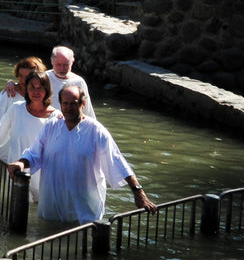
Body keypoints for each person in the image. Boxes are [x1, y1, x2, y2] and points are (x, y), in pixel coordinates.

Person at [8, 84, 156, 224]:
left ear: (83, 104)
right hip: (52, 208)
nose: (68, 108)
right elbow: (34, 154)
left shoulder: (96, 131)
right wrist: (21, 163)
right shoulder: (52, 126)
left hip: (84, 212)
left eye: (73, 103)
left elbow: (117, 161)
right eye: (65, 103)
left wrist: (138, 192)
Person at [0, 71, 59, 201]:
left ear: (47, 90)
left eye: (40, 88)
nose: (36, 92)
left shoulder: (56, 117)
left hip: (44, 178)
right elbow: (0, 128)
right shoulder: (16, 109)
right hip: (17, 172)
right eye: (32, 87)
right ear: (26, 89)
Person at [0, 57, 44, 132]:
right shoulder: (10, 92)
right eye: (20, 76)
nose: (23, 80)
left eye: (27, 77)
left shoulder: (42, 95)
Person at [48, 46, 96, 119]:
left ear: (72, 62)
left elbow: (87, 110)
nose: (62, 69)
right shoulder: (44, 79)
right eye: (58, 65)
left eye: (65, 65)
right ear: (52, 61)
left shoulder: (79, 82)